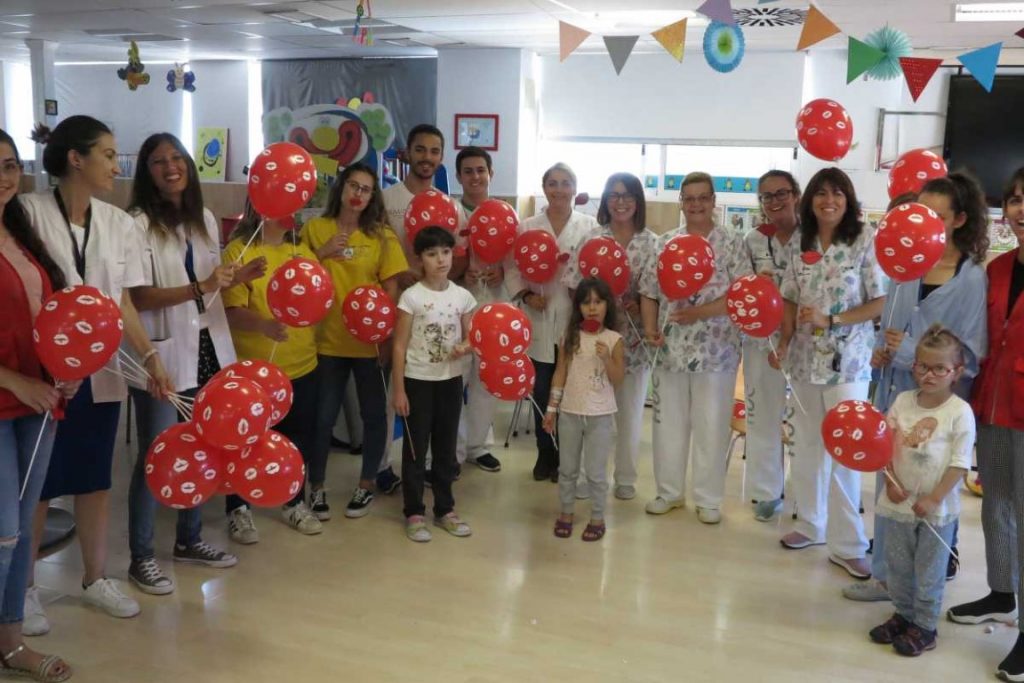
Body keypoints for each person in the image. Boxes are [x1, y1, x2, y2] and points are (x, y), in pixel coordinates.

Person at [21, 116, 173, 630]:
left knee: (93, 478)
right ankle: (24, 589)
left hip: (102, 372)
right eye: (107, 155)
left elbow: (122, 301)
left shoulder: (119, 223)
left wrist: (149, 357)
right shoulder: (29, 213)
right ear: (75, 158)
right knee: (39, 485)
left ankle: (95, 578)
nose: (116, 165)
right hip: (44, 373)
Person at [844, 172, 988, 602]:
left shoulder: (970, 278)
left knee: (930, 493)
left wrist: (908, 351)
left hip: (939, 410)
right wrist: (880, 352)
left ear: (959, 220)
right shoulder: (905, 269)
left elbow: (969, 357)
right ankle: (886, 577)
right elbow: (889, 327)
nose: (924, 225)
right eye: (920, 214)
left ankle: (926, 584)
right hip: (897, 400)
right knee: (892, 486)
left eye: (937, 217)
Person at [125, 132, 253, 590]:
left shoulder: (203, 217)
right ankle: (141, 556)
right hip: (161, 352)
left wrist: (234, 277)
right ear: (147, 172)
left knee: (201, 446)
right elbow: (137, 297)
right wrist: (201, 286)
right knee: (158, 454)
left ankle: (190, 538)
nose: (171, 167)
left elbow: (209, 284)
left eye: (177, 158)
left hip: (207, 347)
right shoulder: (137, 224)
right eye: (159, 161)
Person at [771, 167, 886, 578]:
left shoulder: (864, 238)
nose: (829, 201)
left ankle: (849, 544)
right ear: (810, 201)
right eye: (821, 193)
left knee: (846, 454)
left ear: (848, 199)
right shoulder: (800, 241)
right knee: (807, 447)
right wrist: (784, 341)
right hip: (804, 361)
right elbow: (788, 297)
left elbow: (879, 301)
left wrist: (833, 320)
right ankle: (810, 523)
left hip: (848, 364)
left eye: (837, 193)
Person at [0, 127, 75, 682]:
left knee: (23, 528)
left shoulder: (22, 235)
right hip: (7, 401)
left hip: (40, 401)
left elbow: (47, 319)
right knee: (3, 529)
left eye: (8, 165)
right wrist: (15, 381)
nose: (2, 177)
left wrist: (62, 369)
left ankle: (10, 643)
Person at [946, 167, 1024, 682]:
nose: (1022, 209)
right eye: (1016, 199)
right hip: (992, 407)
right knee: (996, 505)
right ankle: (1002, 592)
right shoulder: (997, 270)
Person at [639, 172, 750, 524]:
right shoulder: (665, 243)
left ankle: (708, 499)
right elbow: (649, 292)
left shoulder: (732, 242)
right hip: (670, 350)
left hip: (717, 351)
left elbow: (741, 294)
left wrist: (699, 313)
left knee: (711, 425)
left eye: (703, 197)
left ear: (714, 201)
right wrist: (650, 329)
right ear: (681, 202)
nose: (696, 204)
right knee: (667, 425)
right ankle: (668, 492)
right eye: (689, 198)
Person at [305, 163, 408, 520]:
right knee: (322, 418)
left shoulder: (382, 236)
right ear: (341, 187)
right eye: (353, 185)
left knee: (373, 417)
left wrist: (386, 337)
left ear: (372, 196)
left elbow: (392, 289)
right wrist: (321, 253)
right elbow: (298, 276)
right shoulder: (315, 228)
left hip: (368, 345)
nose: (358, 194)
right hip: (326, 342)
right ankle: (317, 486)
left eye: (365, 189)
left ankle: (367, 484)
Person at [868, 326, 974, 656]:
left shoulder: (959, 412)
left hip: (936, 513)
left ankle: (925, 626)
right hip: (897, 505)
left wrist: (934, 498)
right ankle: (903, 615)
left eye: (939, 368)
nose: (929, 375)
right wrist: (890, 482)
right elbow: (883, 447)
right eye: (922, 366)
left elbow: (959, 464)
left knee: (929, 572)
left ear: (956, 372)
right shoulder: (902, 401)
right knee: (898, 567)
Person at [223, 203, 322, 536]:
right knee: (245, 440)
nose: (293, 211)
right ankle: (238, 507)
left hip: (302, 364)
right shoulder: (239, 251)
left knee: (297, 440)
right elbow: (230, 311)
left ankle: (294, 502)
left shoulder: (302, 251)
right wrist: (263, 325)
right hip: (253, 371)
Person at [564, 173, 657, 501]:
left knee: (629, 417)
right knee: (592, 414)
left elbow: (655, 292)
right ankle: (590, 478)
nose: (621, 202)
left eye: (628, 195)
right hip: (594, 343)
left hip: (633, 343)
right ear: (605, 200)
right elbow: (573, 285)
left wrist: (639, 305)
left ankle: (626, 479)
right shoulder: (592, 237)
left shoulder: (651, 242)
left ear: (638, 201)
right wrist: (595, 306)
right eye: (614, 195)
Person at [505, 163, 598, 482]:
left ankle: (567, 458)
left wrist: (583, 296)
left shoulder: (589, 226)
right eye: (553, 183)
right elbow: (511, 267)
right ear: (544, 188)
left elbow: (595, 271)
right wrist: (526, 295)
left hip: (575, 320)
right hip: (539, 318)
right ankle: (545, 454)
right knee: (541, 390)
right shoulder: (528, 226)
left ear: (575, 188)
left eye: (566, 183)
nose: (559, 189)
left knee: (571, 392)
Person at [392, 227, 476, 542]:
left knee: (445, 447)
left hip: (450, 382)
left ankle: (444, 509)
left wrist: (464, 347)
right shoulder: (411, 297)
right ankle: (414, 511)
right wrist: (399, 390)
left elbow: (473, 337)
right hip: (417, 381)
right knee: (416, 449)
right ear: (419, 259)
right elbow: (399, 346)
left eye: (445, 252)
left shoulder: (462, 297)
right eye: (431, 254)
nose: (440, 259)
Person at [544, 278, 625, 541]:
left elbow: (618, 379)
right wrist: (552, 409)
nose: (592, 308)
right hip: (570, 412)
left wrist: (606, 358)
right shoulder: (570, 337)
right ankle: (566, 512)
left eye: (598, 302)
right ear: (578, 307)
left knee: (596, 472)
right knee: (567, 468)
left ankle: (598, 516)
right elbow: (560, 372)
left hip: (600, 416)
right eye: (586, 302)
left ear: (607, 305)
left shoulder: (614, 339)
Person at [742, 171, 801, 522]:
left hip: (805, 341)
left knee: (804, 421)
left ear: (796, 195)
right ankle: (766, 491)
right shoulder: (752, 240)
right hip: (761, 341)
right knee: (762, 415)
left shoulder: (814, 237)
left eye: (782, 193)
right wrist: (754, 283)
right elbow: (739, 290)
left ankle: (806, 494)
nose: (775, 201)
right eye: (767, 196)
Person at [453, 146, 502, 474]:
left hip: (493, 308)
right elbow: (438, 259)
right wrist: (460, 275)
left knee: (486, 380)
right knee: (455, 380)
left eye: (480, 170)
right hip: (455, 308)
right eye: (468, 171)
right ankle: (453, 451)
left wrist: (502, 273)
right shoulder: (450, 213)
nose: (475, 177)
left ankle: (478, 445)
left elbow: (516, 262)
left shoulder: (504, 214)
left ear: (490, 174)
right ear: (459, 176)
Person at [382, 124, 468, 283]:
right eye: (420, 150)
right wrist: (398, 274)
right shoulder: (383, 199)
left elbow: (460, 257)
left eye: (434, 151)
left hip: (437, 295)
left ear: (441, 157)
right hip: (394, 293)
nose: (427, 157)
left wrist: (430, 286)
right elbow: (374, 250)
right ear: (408, 153)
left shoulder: (453, 207)